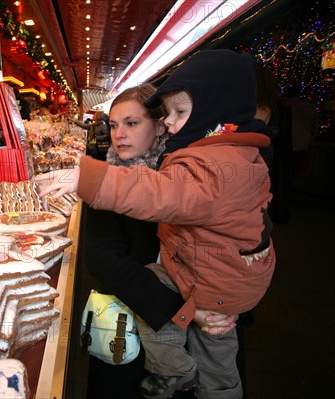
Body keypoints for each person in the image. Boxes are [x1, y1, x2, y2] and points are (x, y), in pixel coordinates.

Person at [37, 49, 276, 399]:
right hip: (138, 338)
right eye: (114, 125)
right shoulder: (116, 175)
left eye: (132, 123)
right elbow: (104, 260)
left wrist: (228, 302)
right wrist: (186, 311)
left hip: (214, 320)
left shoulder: (191, 173)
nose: (119, 135)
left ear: (157, 125)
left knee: (219, 374)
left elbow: (243, 239)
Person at [254, 65, 294, 223]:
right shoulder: (272, 106)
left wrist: (211, 133)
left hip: (254, 158)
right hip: (266, 158)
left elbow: (226, 130)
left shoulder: (250, 108)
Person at [283, 84, 319, 176]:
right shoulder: (309, 107)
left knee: (285, 170)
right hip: (303, 142)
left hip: (285, 142)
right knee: (297, 170)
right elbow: (314, 125)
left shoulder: (283, 106)